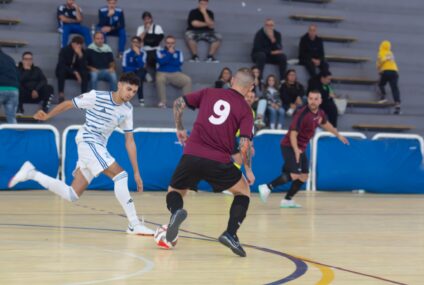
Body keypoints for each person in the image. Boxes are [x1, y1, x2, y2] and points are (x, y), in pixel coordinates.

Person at [8, 73, 155, 236]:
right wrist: (48, 115)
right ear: (119, 85)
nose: (130, 94)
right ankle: (134, 224)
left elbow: (130, 141)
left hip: (99, 146)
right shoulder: (96, 96)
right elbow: (68, 104)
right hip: (88, 141)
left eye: (134, 92)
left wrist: (137, 171)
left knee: (72, 194)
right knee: (120, 176)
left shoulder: (127, 109)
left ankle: (31, 173)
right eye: (129, 89)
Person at [163, 68, 255, 257]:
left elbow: (179, 102)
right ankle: (230, 233)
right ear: (250, 87)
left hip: (191, 155)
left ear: (232, 81)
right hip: (218, 161)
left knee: (175, 191)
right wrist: (248, 169)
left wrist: (179, 128)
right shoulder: (246, 110)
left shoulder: (209, 92)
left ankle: (176, 212)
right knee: (243, 191)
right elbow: (244, 145)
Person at [258, 90, 349, 208]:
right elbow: (293, 134)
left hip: (301, 148)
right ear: (308, 99)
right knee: (295, 174)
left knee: (304, 176)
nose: (313, 101)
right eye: (310, 98)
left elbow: (326, 124)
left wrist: (339, 135)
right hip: (289, 145)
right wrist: (296, 150)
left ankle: (287, 200)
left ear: (320, 101)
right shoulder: (302, 114)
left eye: (316, 99)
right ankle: (266, 187)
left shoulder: (320, 113)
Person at [156, 35, 192, 108]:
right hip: (162, 73)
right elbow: (160, 62)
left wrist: (166, 59)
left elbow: (178, 63)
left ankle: (184, 102)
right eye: (168, 43)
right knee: (159, 79)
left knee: (187, 80)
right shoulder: (159, 51)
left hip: (176, 73)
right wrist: (169, 54)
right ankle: (163, 102)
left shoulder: (179, 52)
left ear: (174, 43)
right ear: (165, 43)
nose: (170, 44)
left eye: (172, 43)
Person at [56, 35, 89, 103]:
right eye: (77, 44)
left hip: (76, 72)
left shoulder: (82, 52)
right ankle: (61, 94)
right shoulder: (64, 50)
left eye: (81, 44)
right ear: (72, 43)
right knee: (61, 71)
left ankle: (84, 96)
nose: (79, 46)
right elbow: (61, 64)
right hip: (66, 71)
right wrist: (75, 72)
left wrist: (80, 56)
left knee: (85, 73)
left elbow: (84, 67)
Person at [376, 40, 401, 115]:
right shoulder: (390, 53)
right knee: (395, 88)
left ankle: (383, 97)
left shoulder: (381, 52)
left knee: (381, 84)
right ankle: (397, 104)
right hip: (395, 72)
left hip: (386, 71)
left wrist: (379, 69)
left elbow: (380, 62)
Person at [122, 36, 147, 106]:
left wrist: (138, 55)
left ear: (139, 44)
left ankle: (140, 99)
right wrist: (134, 69)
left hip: (140, 71)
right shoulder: (126, 52)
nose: (135, 44)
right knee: (134, 76)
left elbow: (142, 65)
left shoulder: (143, 53)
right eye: (134, 42)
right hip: (131, 71)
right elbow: (124, 66)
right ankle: (139, 98)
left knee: (139, 75)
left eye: (137, 42)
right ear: (131, 43)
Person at [0, 48, 19, 123]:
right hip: (14, 90)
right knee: (12, 118)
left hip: (1, 88)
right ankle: (14, 133)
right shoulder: (10, 59)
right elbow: (17, 74)